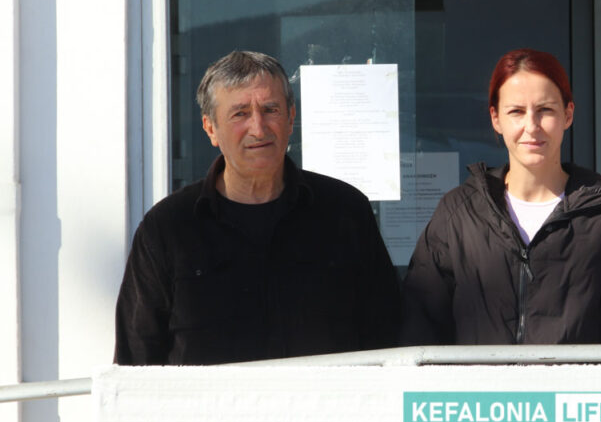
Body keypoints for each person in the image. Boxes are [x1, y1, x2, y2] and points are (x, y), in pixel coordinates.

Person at [114, 51, 399, 365]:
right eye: (240, 114)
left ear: (291, 118)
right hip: (209, 401)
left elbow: (388, 339)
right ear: (210, 128)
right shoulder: (167, 228)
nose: (259, 129)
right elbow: (136, 359)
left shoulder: (345, 212)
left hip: (328, 399)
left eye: (270, 110)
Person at [401, 49, 601, 345]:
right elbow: (420, 326)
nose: (532, 126)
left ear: (568, 115)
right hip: (481, 379)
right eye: (516, 112)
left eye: (545, 110)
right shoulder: (459, 215)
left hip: (578, 379)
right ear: (496, 118)